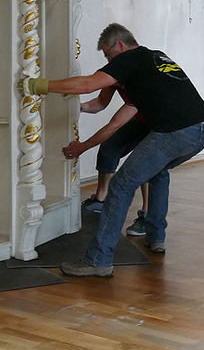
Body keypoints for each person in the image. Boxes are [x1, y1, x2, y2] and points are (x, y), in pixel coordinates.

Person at [21, 23, 204, 277]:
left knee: (121, 185)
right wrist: (74, 106)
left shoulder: (128, 60)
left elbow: (89, 84)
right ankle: (156, 236)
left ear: (119, 45)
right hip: (201, 129)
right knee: (157, 172)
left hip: (175, 131)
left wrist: (40, 86)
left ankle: (98, 260)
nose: (108, 61)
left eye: (108, 54)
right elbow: (100, 102)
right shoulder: (153, 58)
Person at [63, 84, 151, 236]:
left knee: (146, 162)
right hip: (140, 117)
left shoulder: (138, 74)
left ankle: (148, 215)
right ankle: (100, 201)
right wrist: (80, 107)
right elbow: (100, 102)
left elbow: (115, 124)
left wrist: (83, 147)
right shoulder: (114, 72)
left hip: (161, 120)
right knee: (109, 150)